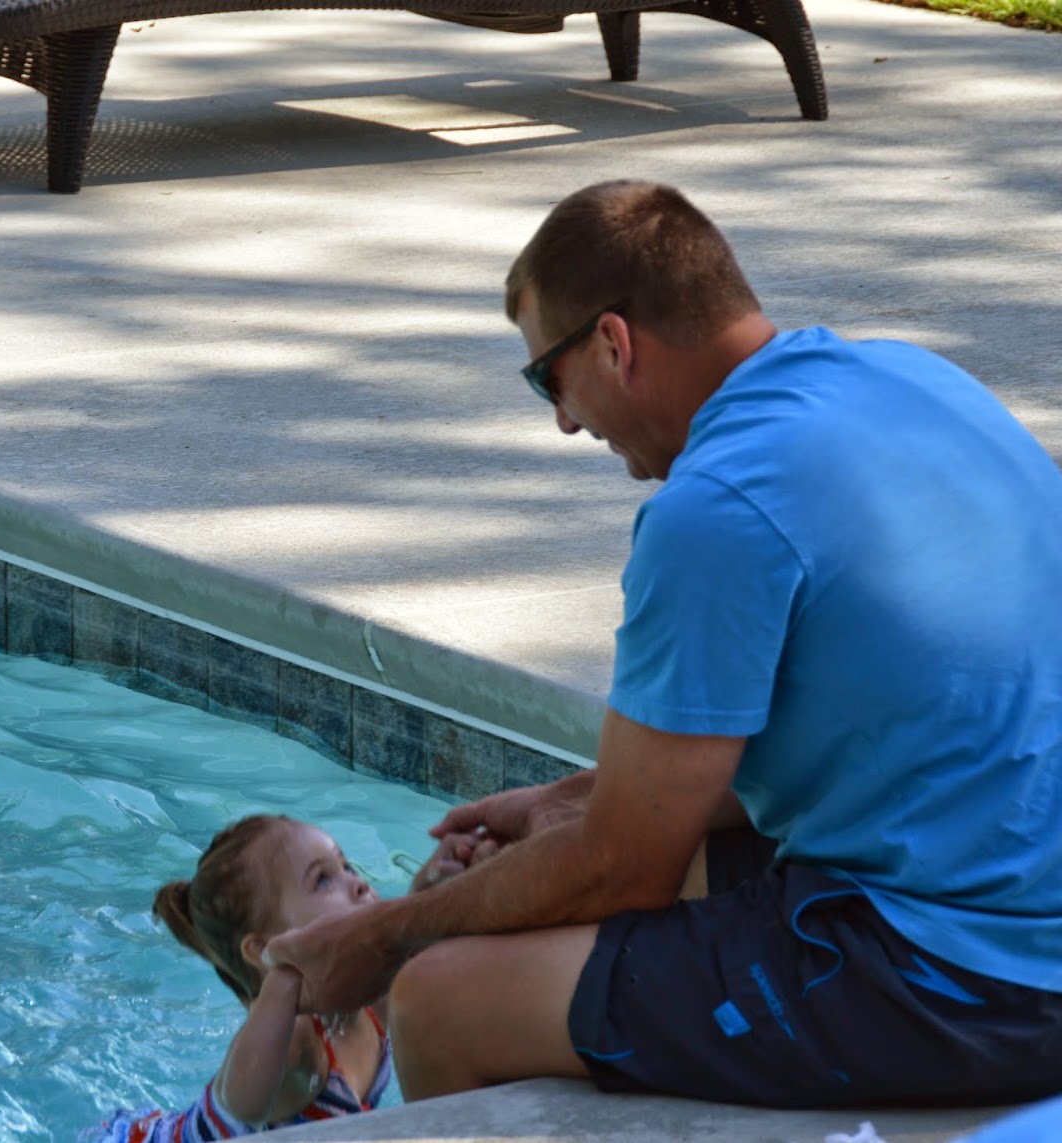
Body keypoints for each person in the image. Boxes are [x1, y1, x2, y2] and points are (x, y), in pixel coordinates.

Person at [264, 180, 1062, 1110]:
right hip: (1005, 898)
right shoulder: (914, 381)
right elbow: (875, 722)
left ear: (613, 343)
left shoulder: (715, 510)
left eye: (548, 378)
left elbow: (625, 867)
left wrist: (385, 934)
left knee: (438, 996)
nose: (565, 420)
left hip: (976, 983)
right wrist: (566, 802)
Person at [81, 814, 402, 1143]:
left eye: (346, 867)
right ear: (265, 948)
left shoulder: (374, 996)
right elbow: (245, 1105)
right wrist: (284, 979)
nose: (358, 882)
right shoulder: (297, 1038)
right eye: (322, 880)